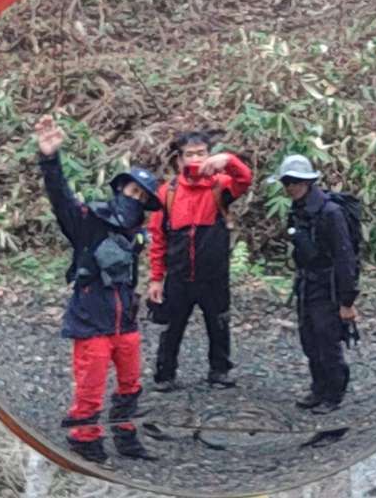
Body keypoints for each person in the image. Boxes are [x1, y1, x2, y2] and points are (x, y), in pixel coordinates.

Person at [35, 114, 160, 463]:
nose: (135, 199)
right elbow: (61, 199)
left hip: (125, 320)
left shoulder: (135, 235)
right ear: (119, 189)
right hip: (91, 319)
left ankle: (125, 435)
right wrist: (49, 158)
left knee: (131, 384)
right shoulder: (89, 222)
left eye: (142, 196)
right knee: (90, 387)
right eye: (131, 191)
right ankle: (85, 441)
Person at [147, 130, 253, 391]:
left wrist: (228, 160)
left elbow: (245, 179)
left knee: (219, 323)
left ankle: (219, 371)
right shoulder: (167, 192)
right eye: (189, 154)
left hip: (214, 275)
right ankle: (165, 374)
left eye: (201, 153)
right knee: (171, 327)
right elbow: (158, 238)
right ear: (179, 160)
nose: (195, 159)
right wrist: (156, 278)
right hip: (178, 275)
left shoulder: (221, 185)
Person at [270, 154, 359, 415]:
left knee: (327, 339)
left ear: (308, 182)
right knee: (309, 337)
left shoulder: (330, 213)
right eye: (287, 182)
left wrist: (347, 301)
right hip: (307, 283)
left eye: (296, 182)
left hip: (328, 285)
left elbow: (345, 257)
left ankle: (334, 393)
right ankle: (318, 387)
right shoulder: (298, 210)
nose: (290, 187)